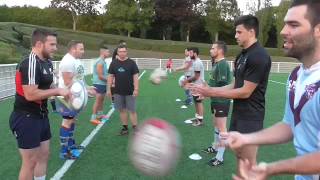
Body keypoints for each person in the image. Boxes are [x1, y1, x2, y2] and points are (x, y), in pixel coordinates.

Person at [222, 1, 320, 179]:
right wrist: (247, 139)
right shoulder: (296, 76)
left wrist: (270, 168)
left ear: (318, 30)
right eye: (285, 23)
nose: (283, 31)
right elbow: (290, 125)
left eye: (294, 24)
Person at [190, 15, 271, 173]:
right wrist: (209, 92)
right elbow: (235, 84)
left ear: (251, 32)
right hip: (238, 114)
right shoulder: (241, 56)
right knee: (240, 157)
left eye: (239, 32)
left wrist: (212, 91)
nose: (235, 36)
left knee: (248, 163)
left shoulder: (259, 56)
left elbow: (246, 91)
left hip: (251, 118)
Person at [9, 28, 69, 180]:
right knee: (30, 162)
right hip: (25, 118)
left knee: (44, 156)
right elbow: (31, 94)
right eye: (52, 45)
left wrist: (72, 92)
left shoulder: (47, 63)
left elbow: (48, 88)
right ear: (39, 44)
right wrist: (58, 91)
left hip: (42, 116)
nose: (55, 48)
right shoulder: (30, 63)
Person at [57, 40, 95, 159]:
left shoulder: (76, 60)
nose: (83, 51)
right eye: (81, 49)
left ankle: (71, 144)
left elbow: (79, 79)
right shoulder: (67, 61)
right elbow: (68, 82)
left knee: (72, 120)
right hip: (66, 96)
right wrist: (84, 90)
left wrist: (87, 88)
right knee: (67, 121)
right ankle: (64, 151)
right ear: (73, 49)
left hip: (75, 97)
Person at [202, 41, 232, 167]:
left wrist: (208, 91)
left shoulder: (223, 64)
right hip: (215, 100)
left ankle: (219, 157)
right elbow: (213, 85)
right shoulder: (216, 64)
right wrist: (204, 89)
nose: (210, 50)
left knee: (222, 128)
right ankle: (215, 147)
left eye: (213, 48)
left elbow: (225, 86)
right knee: (216, 125)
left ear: (220, 50)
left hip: (221, 100)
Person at [107, 45, 139, 135]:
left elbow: (135, 76)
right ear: (117, 53)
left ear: (126, 52)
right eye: (120, 51)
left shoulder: (131, 63)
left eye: (124, 51)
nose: (122, 53)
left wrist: (136, 89)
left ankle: (135, 128)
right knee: (122, 110)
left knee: (132, 110)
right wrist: (108, 89)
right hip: (118, 92)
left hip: (130, 91)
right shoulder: (114, 63)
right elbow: (110, 76)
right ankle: (125, 128)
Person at [182, 47, 205, 126]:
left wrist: (186, 81)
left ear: (195, 53)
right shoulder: (194, 62)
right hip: (195, 85)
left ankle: (200, 120)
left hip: (198, 85)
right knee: (196, 101)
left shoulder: (198, 62)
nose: (189, 54)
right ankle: (197, 117)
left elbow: (196, 76)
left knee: (198, 102)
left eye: (191, 53)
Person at [90, 45, 110, 125]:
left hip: (102, 84)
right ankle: (93, 118)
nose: (109, 53)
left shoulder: (103, 61)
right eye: (108, 51)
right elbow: (100, 76)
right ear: (103, 52)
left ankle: (100, 115)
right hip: (99, 83)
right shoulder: (100, 62)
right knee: (98, 100)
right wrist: (110, 80)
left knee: (101, 100)